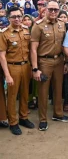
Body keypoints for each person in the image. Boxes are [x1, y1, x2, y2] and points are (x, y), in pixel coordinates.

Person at [30, 1, 68, 131]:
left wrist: (66, 62)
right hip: (44, 62)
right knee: (43, 92)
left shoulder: (62, 24)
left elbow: (64, 45)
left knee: (58, 89)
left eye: (56, 10)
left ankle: (58, 114)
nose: (53, 12)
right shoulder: (38, 26)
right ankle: (43, 119)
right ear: (45, 10)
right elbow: (33, 49)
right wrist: (35, 68)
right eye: (51, 9)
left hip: (59, 61)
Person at [0, 7, 35, 135]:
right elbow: (2, 56)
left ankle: (23, 117)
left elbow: (30, 51)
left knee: (25, 94)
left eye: (19, 16)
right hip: (12, 67)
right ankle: (13, 122)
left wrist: (32, 67)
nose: (17, 19)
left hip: (26, 66)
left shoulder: (26, 31)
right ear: (8, 18)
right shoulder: (4, 33)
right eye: (14, 17)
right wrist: (7, 75)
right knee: (12, 96)